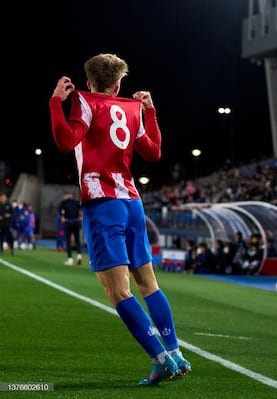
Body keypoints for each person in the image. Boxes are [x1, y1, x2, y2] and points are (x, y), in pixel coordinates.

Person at [49, 53, 191, 385]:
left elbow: (65, 140)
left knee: (117, 291)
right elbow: (154, 152)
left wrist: (57, 103)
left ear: (89, 83)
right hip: (132, 203)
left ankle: (162, 360)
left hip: (103, 204)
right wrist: (151, 111)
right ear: (118, 84)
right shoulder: (131, 108)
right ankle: (175, 352)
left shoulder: (84, 101)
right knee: (148, 283)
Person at [58, 192, 83, 265]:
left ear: (66, 196)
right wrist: (80, 217)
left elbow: (61, 212)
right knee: (77, 240)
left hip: (68, 222)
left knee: (68, 241)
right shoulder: (76, 202)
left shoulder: (64, 203)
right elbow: (81, 210)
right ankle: (79, 255)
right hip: (76, 222)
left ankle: (70, 259)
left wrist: (62, 218)